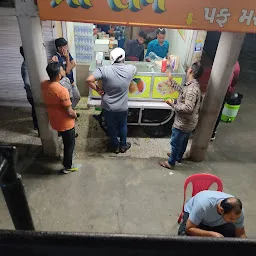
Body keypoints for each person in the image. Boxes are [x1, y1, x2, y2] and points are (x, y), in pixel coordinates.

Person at [86, 48, 136, 154]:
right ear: (123, 57)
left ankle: (115, 146)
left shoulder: (104, 70)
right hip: (122, 107)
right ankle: (123, 145)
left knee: (111, 126)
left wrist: (98, 90)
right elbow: (134, 70)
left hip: (108, 107)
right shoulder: (130, 69)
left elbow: (89, 79)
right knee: (123, 125)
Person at [159, 62, 204, 169]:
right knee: (183, 141)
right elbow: (183, 92)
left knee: (175, 143)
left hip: (184, 123)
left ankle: (171, 162)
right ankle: (177, 156)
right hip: (189, 123)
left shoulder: (192, 89)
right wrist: (172, 82)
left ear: (191, 71)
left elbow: (188, 108)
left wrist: (172, 104)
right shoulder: (192, 85)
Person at [41, 62, 78, 175]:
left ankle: (67, 159)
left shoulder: (44, 84)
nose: (63, 71)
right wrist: (75, 114)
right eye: (62, 70)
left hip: (54, 121)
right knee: (69, 144)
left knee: (65, 140)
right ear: (59, 75)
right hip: (66, 123)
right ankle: (68, 166)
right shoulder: (62, 91)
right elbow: (69, 111)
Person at [178, 190, 247, 238]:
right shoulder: (203, 206)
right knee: (183, 237)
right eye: (231, 218)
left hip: (214, 221)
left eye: (236, 218)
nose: (235, 221)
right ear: (221, 210)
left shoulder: (238, 212)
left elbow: (241, 234)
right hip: (194, 214)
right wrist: (212, 234)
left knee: (232, 235)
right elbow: (189, 228)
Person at [211, 61, 240, 141]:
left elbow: (228, 83)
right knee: (219, 111)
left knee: (216, 112)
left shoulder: (230, 66)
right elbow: (235, 81)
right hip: (226, 93)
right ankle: (213, 132)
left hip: (221, 93)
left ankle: (211, 132)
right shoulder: (236, 65)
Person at [52, 38, 81, 109]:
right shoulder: (57, 58)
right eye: (64, 47)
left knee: (77, 97)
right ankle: (69, 113)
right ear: (59, 48)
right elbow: (66, 72)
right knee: (68, 100)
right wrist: (67, 58)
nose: (66, 48)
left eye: (66, 46)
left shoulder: (67, 53)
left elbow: (74, 64)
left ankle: (71, 110)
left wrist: (68, 66)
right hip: (64, 84)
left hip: (72, 81)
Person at [20, 46, 39, 133]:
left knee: (36, 109)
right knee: (38, 110)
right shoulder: (26, 65)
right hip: (32, 93)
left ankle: (37, 126)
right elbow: (27, 83)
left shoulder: (30, 64)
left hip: (34, 93)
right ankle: (39, 129)